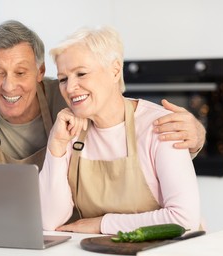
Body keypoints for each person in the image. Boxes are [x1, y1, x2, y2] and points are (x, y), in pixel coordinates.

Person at [0, 20, 205, 171]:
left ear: (40, 71)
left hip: (69, 232)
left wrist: (196, 136)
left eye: (21, 72)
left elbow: (129, 130)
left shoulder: (69, 97)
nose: (9, 87)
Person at [39, 26, 201, 235]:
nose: (70, 88)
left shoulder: (161, 126)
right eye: (63, 79)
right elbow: (49, 221)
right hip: (96, 255)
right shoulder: (70, 130)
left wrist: (102, 224)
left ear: (115, 71)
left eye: (81, 73)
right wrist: (57, 147)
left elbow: (184, 220)